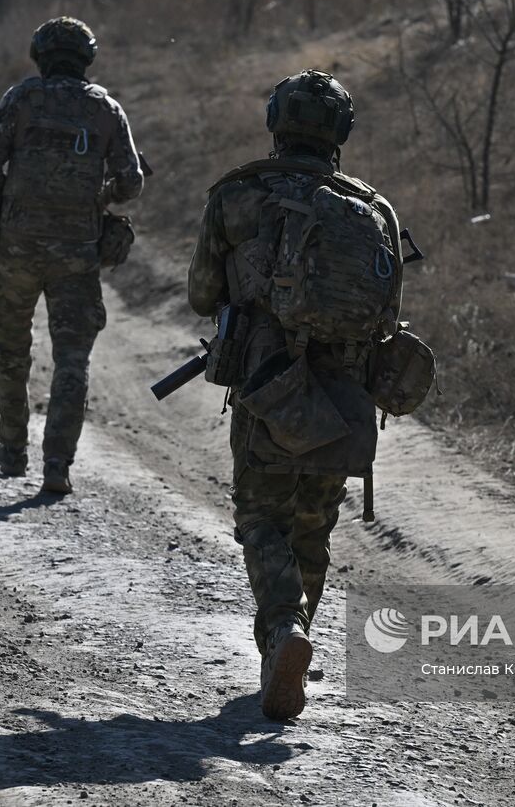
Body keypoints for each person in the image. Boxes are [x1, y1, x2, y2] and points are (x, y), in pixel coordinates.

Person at [188, 70, 426, 721]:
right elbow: (390, 314)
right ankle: (286, 646)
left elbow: (202, 294)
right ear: (340, 134)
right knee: (313, 528)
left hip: (267, 384)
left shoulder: (238, 193)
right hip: (343, 393)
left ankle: (282, 633)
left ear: (275, 121)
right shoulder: (375, 209)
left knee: (262, 520)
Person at [0, 16, 143, 494]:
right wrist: (96, 194)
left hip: (18, 251)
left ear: (40, 56)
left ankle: (11, 449)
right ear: (86, 58)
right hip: (78, 256)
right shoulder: (106, 109)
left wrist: (7, 196)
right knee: (73, 360)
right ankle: (57, 465)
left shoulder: (22, 98)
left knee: (11, 352)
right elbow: (131, 183)